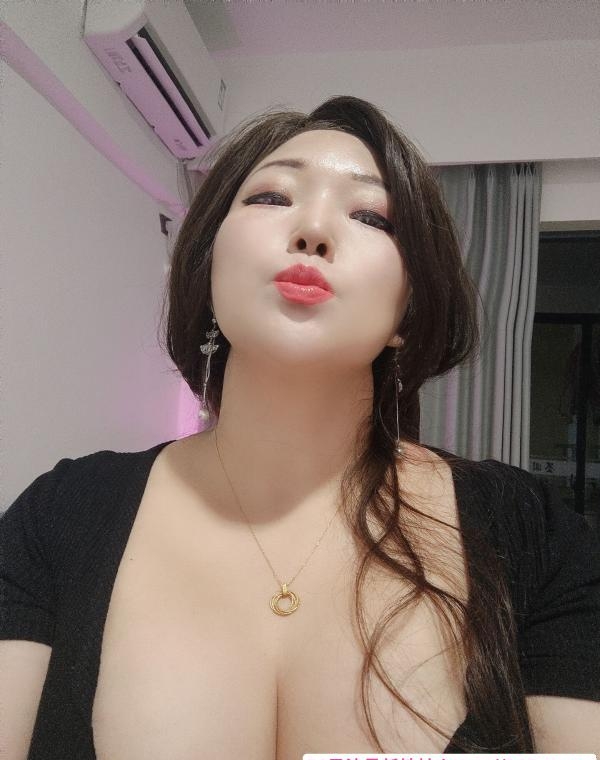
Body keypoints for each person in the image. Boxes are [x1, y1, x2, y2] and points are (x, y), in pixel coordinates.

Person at [1, 95, 599, 759]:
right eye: (271, 197)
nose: (313, 229)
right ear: (207, 266)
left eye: (370, 215)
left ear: (409, 308)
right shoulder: (59, 516)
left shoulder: (534, 535)